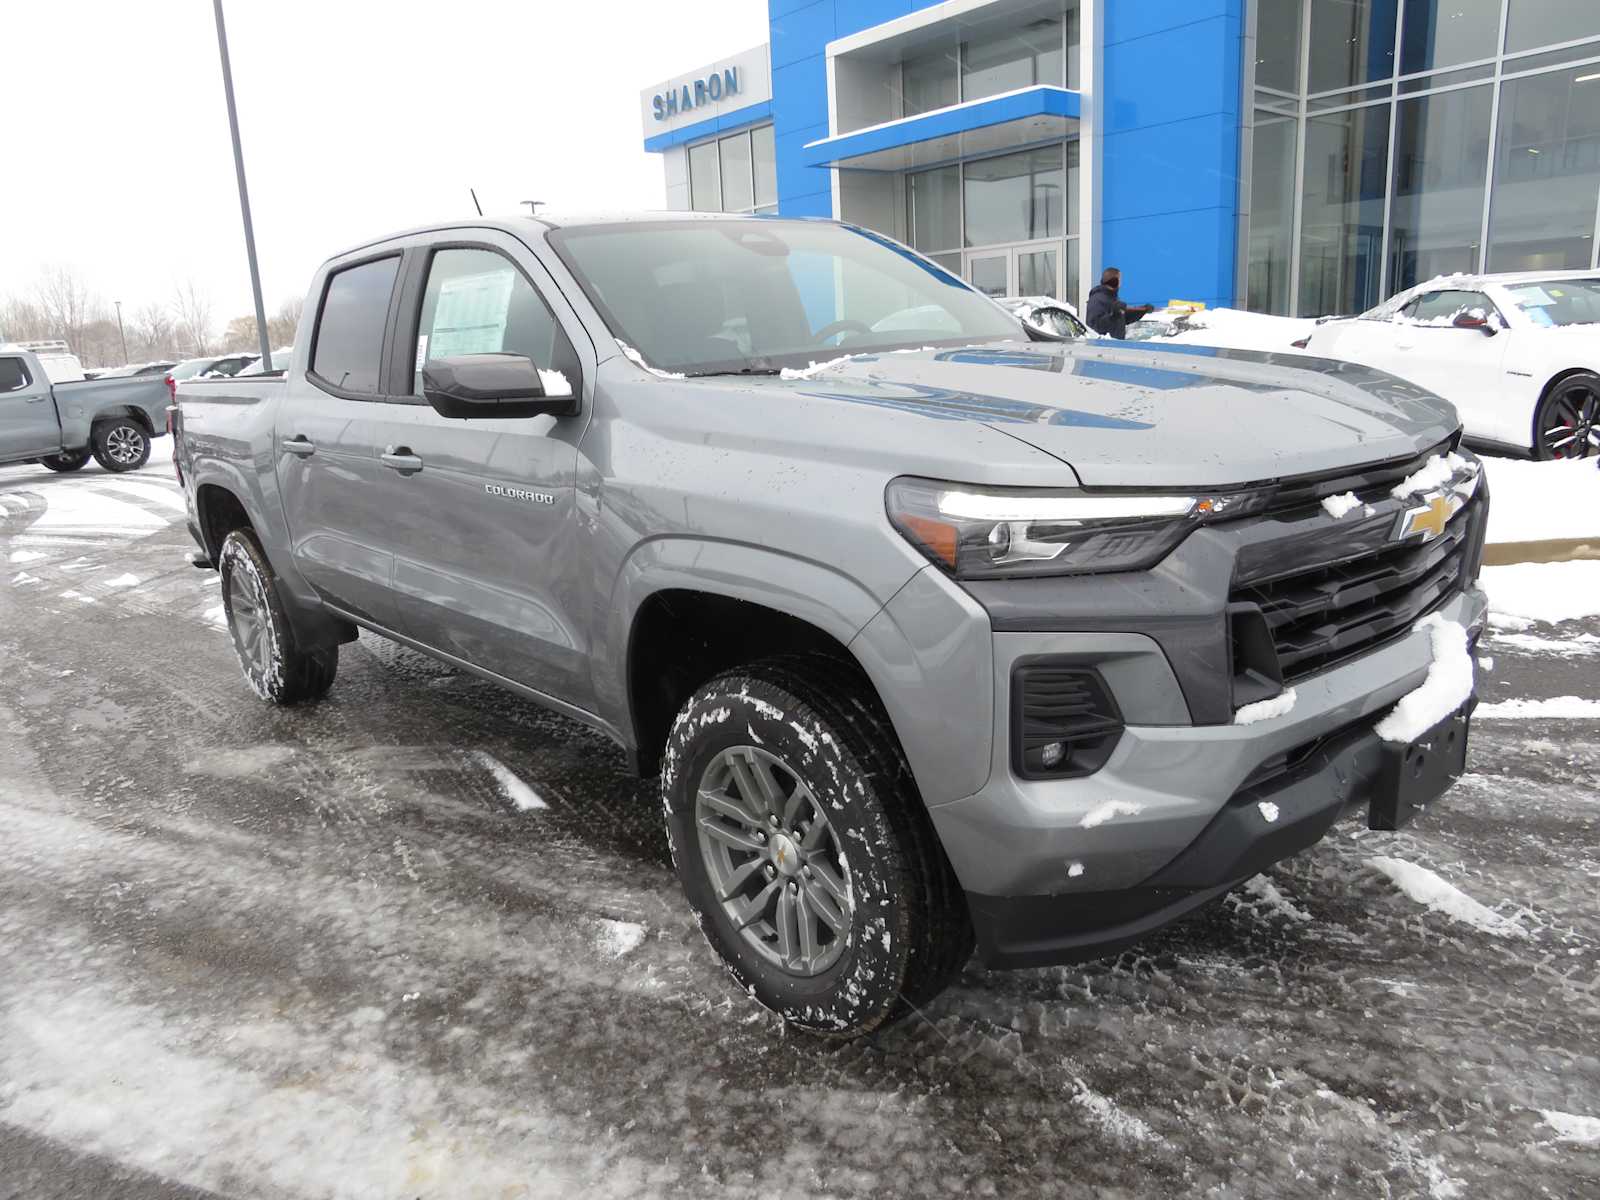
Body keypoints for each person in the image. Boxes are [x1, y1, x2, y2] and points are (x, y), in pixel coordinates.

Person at [1084, 267, 1155, 339]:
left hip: (1117, 345)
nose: (1121, 283)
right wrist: (1113, 316)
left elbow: (1124, 318)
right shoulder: (1097, 300)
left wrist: (1143, 310)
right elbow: (1093, 326)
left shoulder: (1112, 298)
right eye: (1120, 279)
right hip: (1104, 347)